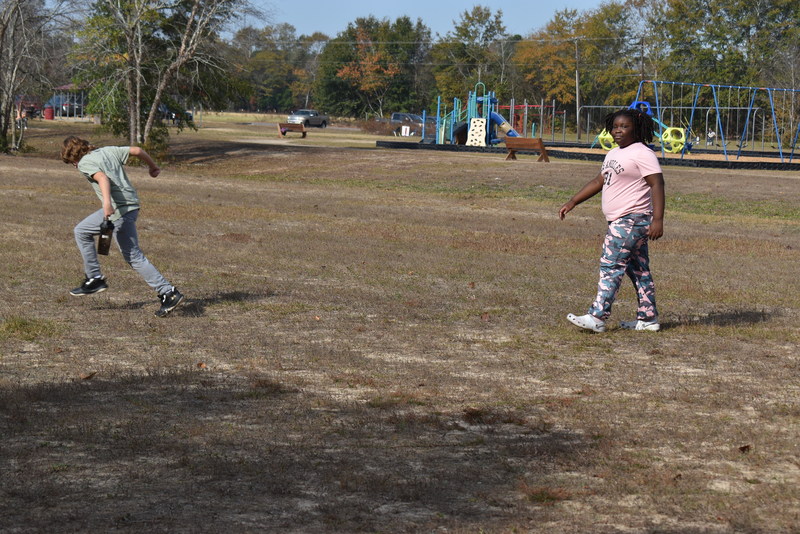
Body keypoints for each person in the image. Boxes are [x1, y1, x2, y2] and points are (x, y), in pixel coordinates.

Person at [558, 109, 665, 332]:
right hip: (621, 220)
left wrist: (658, 219)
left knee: (611, 265)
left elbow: (657, 184)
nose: (618, 130)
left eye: (624, 126)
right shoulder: (613, 153)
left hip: (631, 219)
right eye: (615, 126)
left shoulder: (642, 153)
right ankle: (648, 319)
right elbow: (599, 181)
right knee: (639, 270)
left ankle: (597, 317)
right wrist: (573, 201)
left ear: (636, 128)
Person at [60, 136, 184, 317]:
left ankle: (168, 292)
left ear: (73, 156)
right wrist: (153, 166)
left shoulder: (84, 163)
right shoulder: (108, 150)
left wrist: (107, 204)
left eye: (71, 162)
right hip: (131, 204)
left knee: (131, 255)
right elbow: (137, 151)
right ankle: (94, 277)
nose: (74, 166)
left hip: (119, 210)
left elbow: (102, 178)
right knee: (86, 232)